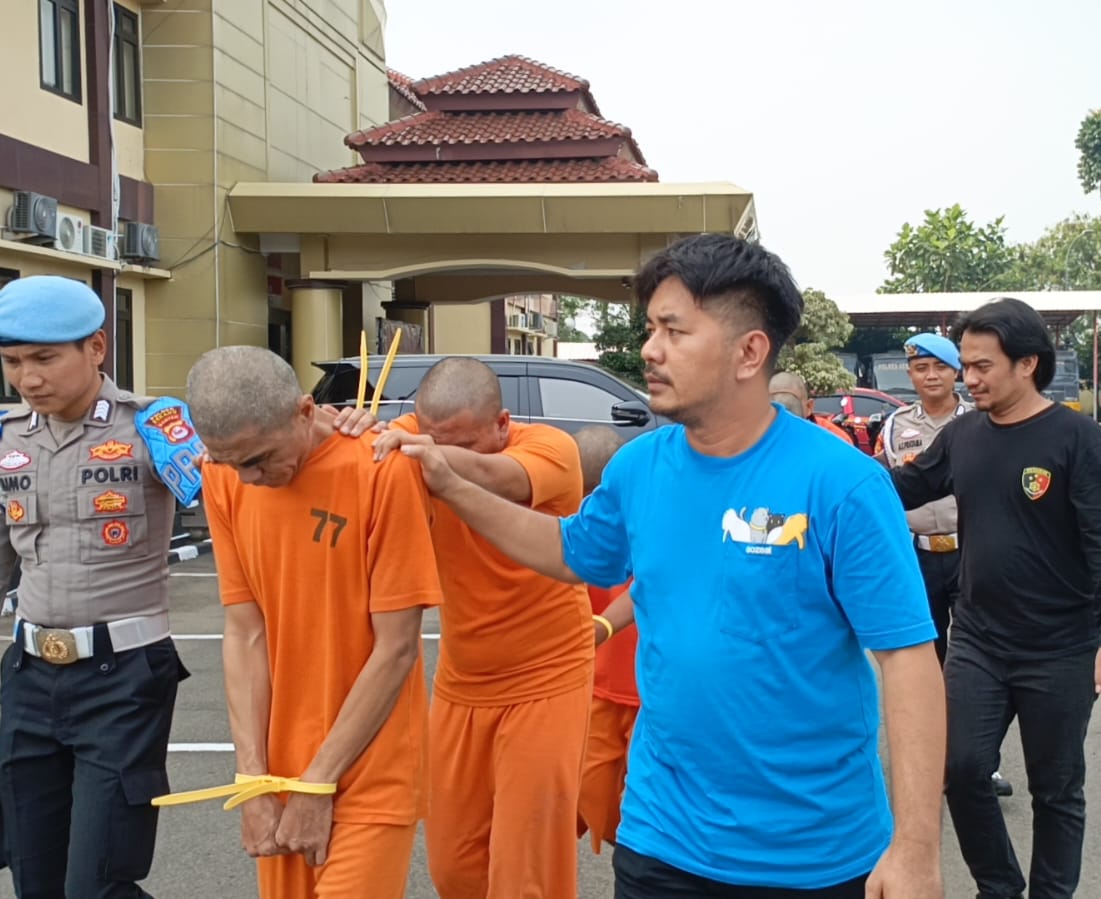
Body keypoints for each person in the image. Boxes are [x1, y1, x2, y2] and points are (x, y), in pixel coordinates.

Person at [388, 234, 947, 898]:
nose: (650, 349)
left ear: (749, 352)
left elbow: (906, 661)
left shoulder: (842, 484)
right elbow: (567, 550)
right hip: (661, 840)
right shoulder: (639, 468)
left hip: (814, 857)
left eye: (674, 331)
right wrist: (451, 485)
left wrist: (915, 850)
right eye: (651, 328)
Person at [0, 275, 206, 898]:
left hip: (125, 677)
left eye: (44, 359)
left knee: (97, 885)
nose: (28, 379)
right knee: (36, 879)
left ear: (96, 348)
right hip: (31, 680)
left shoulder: (152, 429)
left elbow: (249, 497)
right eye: (13, 362)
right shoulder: (5, 442)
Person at [890, 297, 1101, 899]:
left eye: (982, 366)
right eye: (966, 366)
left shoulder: (1077, 439)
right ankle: (999, 888)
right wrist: (825, 473)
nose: (968, 379)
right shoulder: (964, 435)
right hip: (978, 640)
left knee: (1056, 788)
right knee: (960, 769)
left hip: (1062, 646)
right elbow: (906, 486)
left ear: (1027, 364)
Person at [176, 345, 443, 899]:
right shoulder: (221, 476)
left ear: (304, 411)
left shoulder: (381, 469)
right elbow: (244, 632)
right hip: (278, 772)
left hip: (372, 767)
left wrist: (318, 783)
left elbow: (396, 648)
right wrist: (252, 781)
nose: (248, 478)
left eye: (259, 459)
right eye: (231, 462)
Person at [369, 358, 593, 899]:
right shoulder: (415, 436)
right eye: (434, 438)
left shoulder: (552, 450)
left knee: (525, 874)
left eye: (465, 443)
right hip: (461, 681)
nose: (444, 452)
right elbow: (352, 451)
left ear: (502, 424)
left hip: (548, 677)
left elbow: (498, 478)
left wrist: (424, 452)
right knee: (455, 867)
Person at [872, 335, 1012, 799]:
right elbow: (884, 487)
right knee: (924, 662)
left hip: (972, 552)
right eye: (920, 368)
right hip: (915, 556)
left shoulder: (982, 421)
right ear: (910, 375)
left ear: (957, 373)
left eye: (940, 367)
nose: (930, 376)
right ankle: (930, 762)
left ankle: (981, 763)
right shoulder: (894, 426)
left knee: (976, 664)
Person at [571, 426, 640, 857]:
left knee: (627, 808)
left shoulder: (650, 521)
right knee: (602, 801)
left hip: (632, 691)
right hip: (606, 687)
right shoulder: (574, 528)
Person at [768, 370, 857, 446]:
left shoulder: (836, 439)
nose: (783, 417)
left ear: (809, 407)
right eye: (775, 407)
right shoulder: (762, 437)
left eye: (791, 407)